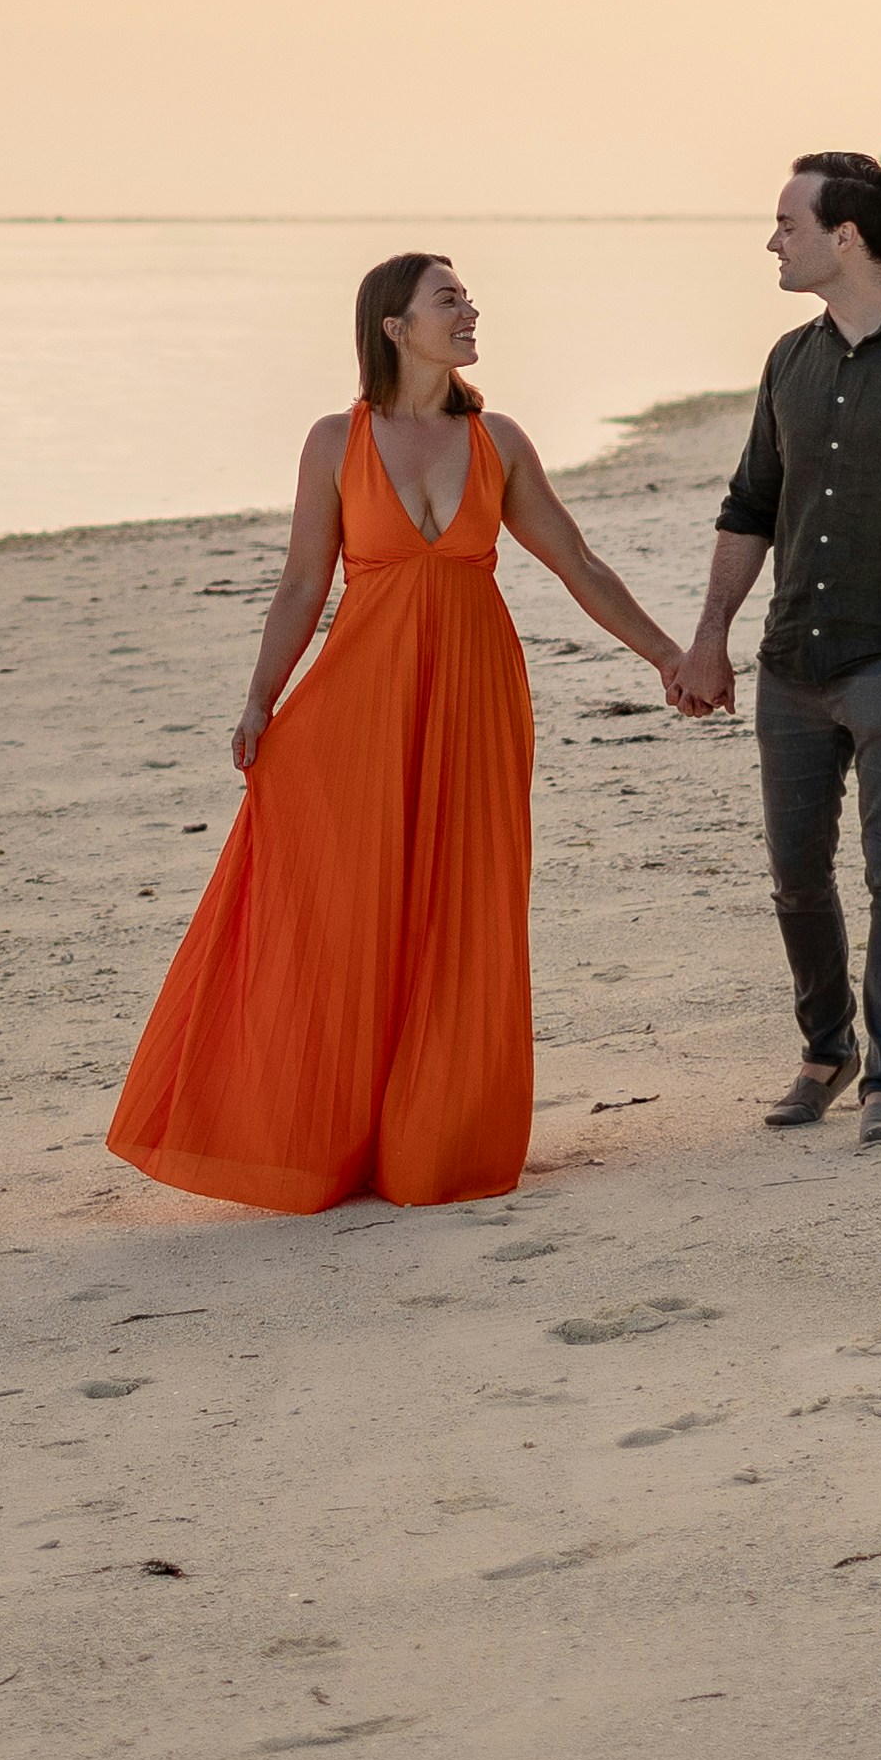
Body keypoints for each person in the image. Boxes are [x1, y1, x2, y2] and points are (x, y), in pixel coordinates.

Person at [110, 252, 698, 1213]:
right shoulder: (332, 442)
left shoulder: (497, 439)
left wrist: (668, 656)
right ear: (396, 326)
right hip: (360, 702)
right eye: (449, 299)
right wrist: (262, 699)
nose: (470, 310)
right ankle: (326, 1136)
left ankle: (439, 1141)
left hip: (474, 696)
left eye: (467, 297)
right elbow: (305, 581)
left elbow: (577, 562)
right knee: (355, 906)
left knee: (465, 904)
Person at [671, 151, 881, 1149]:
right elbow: (749, 505)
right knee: (793, 872)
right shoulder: (789, 358)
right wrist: (710, 635)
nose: (772, 240)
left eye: (786, 222)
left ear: (844, 236)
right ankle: (825, 1048)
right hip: (791, 661)